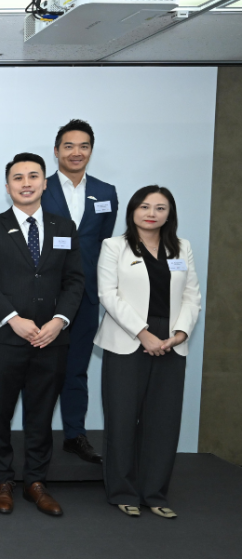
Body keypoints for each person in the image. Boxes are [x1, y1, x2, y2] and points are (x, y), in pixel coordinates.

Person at [0, 152, 84, 517]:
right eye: (17, 178)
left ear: (45, 183)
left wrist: (59, 320)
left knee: (40, 414)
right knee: (0, 412)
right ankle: (2, 480)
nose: (26, 183)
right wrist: (12, 318)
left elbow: (74, 280)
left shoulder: (64, 227)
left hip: (52, 338)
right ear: (7, 187)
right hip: (6, 336)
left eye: (33, 176)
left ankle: (35, 482)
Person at [95, 186, 201, 519]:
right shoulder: (114, 246)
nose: (151, 213)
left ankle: (155, 493)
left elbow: (192, 296)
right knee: (123, 419)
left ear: (170, 214)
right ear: (133, 211)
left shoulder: (182, 248)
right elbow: (108, 295)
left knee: (163, 421)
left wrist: (179, 334)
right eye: (144, 206)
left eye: (160, 207)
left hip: (171, 341)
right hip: (129, 338)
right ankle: (123, 491)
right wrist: (144, 334)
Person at [41, 119, 118, 465]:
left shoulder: (106, 192)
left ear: (91, 150)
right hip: (41, 294)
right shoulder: (38, 187)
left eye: (83, 146)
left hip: (85, 295)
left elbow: (102, 245)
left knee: (77, 369)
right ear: (56, 151)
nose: (76, 152)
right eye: (69, 146)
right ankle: (37, 434)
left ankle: (75, 434)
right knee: (39, 369)